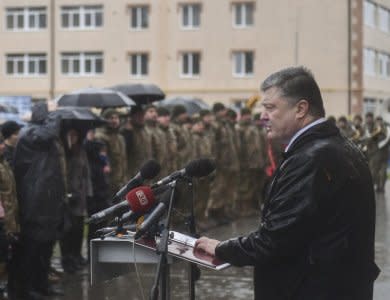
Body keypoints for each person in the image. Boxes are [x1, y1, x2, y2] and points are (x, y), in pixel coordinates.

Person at [195, 66, 380, 300]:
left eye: (270, 107)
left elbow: (275, 241)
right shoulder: (336, 146)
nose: (262, 115)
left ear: (301, 109)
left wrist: (222, 249)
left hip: (311, 289)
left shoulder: (311, 157)